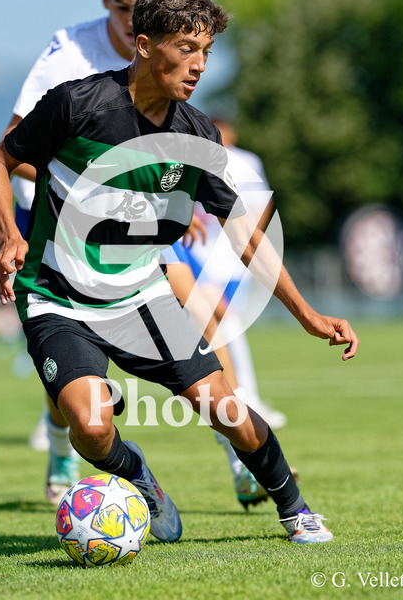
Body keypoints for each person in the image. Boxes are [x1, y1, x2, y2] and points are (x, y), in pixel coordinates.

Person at [0, 0, 359, 544]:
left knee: (225, 408)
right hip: (57, 296)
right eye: (186, 48)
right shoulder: (77, 104)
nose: (199, 64)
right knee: (90, 425)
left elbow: (246, 236)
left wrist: (308, 314)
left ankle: (295, 509)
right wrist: (9, 234)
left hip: (141, 295)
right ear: (144, 45)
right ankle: (138, 475)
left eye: (206, 50)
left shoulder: (198, 135)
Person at [4, 0, 170, 505]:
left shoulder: (171, 51)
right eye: (126, 10)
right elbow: (12, 150)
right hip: (53, 223)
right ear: (106, 1)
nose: (136, 23)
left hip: (132, 221)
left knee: (204, 312)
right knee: (68, 354)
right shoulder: (67, 56)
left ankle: (240, 455)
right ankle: (62, 444)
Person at [166, 117, 291, 510]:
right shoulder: (91, 111)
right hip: (98, 258)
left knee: (214, 325)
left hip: (187, 255)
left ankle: (243, 461)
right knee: (85, 397)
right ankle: (58, 439)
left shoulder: (225, 156)